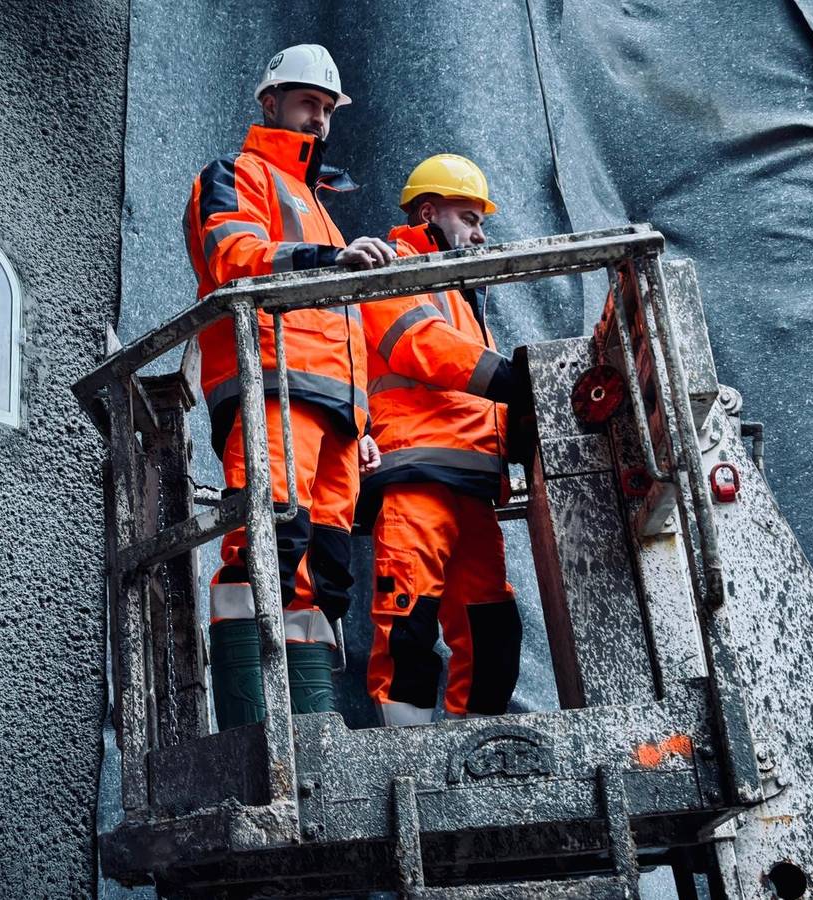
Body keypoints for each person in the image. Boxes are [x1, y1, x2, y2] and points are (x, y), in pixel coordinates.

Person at [183, 44, 390, 730]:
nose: (320, 120)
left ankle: (310, 746)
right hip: (271, 386)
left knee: (324, 572)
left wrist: (360, 426)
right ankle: (256, 744)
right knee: (266, 547)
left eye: (328, 109)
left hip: (331, 414)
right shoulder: (235, 175)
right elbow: (230, 256)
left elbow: (346, 331)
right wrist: (327, 257)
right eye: (309, 103)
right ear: (269, 102)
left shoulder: (321, 206)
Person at [357, 154, 526, 726]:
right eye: (468, 218)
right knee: (408, 628)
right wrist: (513, 380)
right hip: (417, 476)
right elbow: (423, 346)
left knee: (492, 632)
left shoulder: (458, 297)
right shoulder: (391, 270)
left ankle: (475, 766)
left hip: (470, 485)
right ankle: (404, 773)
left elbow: (475, 387)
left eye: (481, 222)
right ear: (429, 213)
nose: (479, 235)